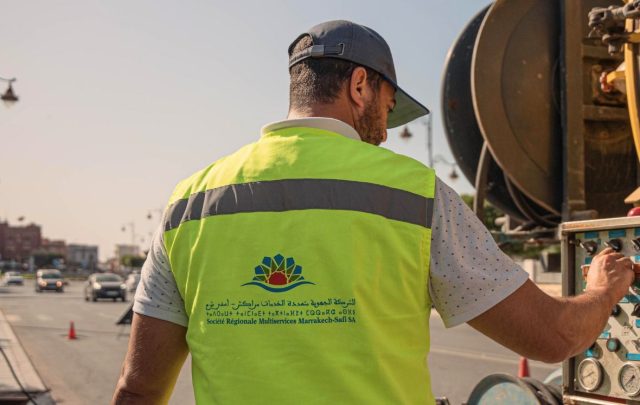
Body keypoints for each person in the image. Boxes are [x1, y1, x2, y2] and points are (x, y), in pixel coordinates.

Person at [111, 20, 637, 404]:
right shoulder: (413, 193)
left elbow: (138, 390)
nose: (385, 131)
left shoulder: (189, 203)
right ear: (359, 85)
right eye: (387, 108)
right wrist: (602, 288)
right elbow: (552, 337)